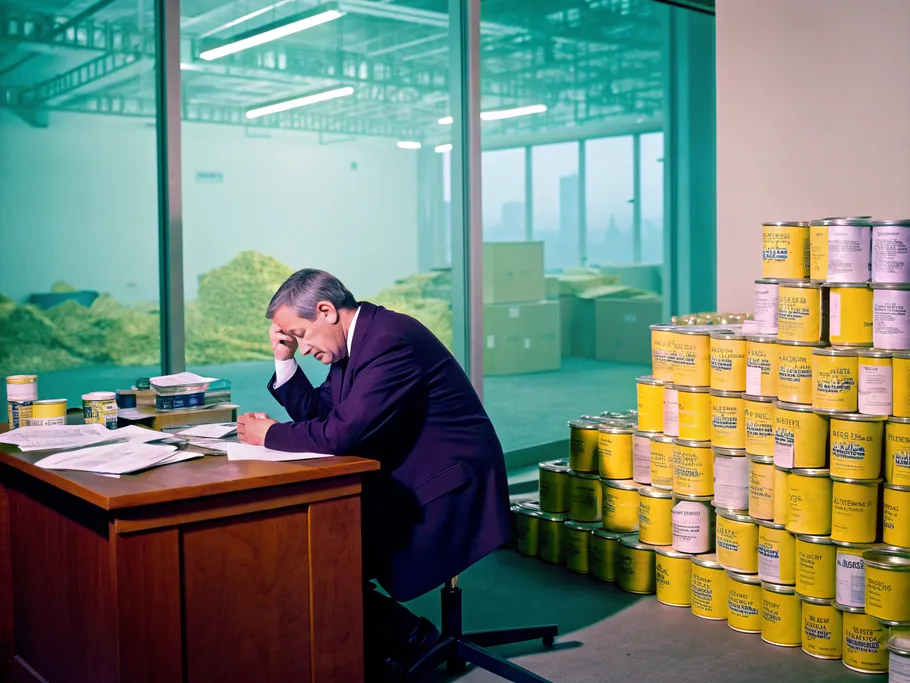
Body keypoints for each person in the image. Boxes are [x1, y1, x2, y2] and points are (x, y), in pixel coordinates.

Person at [236, 268, 512, 682]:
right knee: (312, 546)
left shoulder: (388, 341)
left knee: (322, 550)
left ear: (326, 310)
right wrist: (284, 360)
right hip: (408, 470)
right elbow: (323, 416)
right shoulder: (355, 342)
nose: (301, 345)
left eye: (299, 333)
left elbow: (340, 435)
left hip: (450, 483)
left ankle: (411, 638)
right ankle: (385, 642)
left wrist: (270, 434)